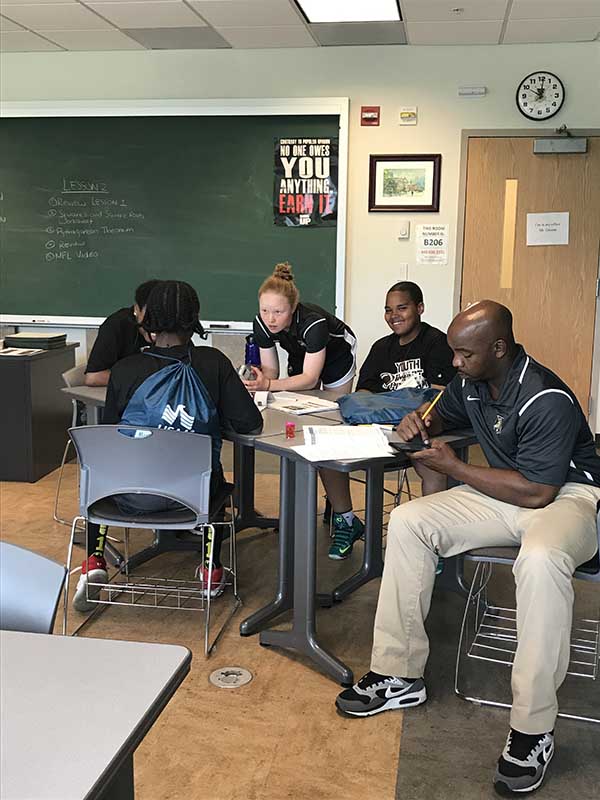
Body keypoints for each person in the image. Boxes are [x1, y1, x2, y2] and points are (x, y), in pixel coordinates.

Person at [335, 300, 600, 796]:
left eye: (463, 354)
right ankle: (399, 675)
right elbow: (439, 415)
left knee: (540, 560)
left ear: (499, 348)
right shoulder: (471, 384)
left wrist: (454, 468)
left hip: (565, 497)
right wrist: (419, 419)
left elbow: (538, 493)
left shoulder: (546, 397)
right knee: (411, 520)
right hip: (505, 492)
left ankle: (533, 728)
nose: (453, 363)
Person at [73, 281, 263, 612]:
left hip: (126, 495)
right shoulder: (213, 363)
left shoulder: (125, 368)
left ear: (147, 318)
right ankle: (210, 571)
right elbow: (250, 424)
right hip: (192, 498)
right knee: (213, 474)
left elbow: (112, 435)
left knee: (102, 470)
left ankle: (94, 560)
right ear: (195, 318)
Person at [243, 262, 362, 560]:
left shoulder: (313, 323)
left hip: (336, 361)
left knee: (327, 437)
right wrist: (262, 382)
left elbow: (310, 378)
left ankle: (345, 518)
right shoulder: (261, 323)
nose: (271, 318)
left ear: (293, 308)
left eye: (279, 312)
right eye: (265, 310)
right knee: (298, 431)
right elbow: (271, 370)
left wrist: (268, 384)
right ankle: (323, 503)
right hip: (302, 355)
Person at [84, 279, 161, 387]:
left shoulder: (172, 326)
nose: (155, 324)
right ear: (137, 309)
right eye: (149, 316)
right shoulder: (116, 325)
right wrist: (146, 380)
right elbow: (93, 378)